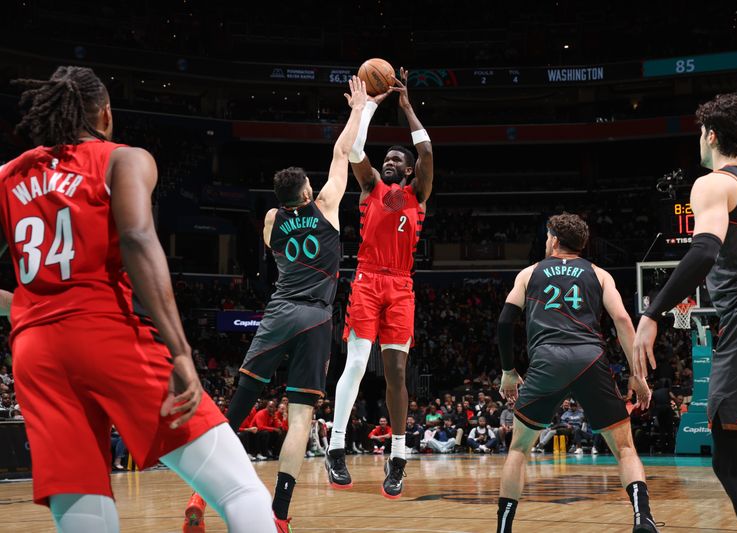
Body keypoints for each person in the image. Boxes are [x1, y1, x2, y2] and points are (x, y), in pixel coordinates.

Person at [0, 65, 277, 533]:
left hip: (34, 352)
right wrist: (182, 351)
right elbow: (136, 236)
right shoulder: (123, 159)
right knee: (239, 489)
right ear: (105, 115)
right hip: (105, 332)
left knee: (87, 510)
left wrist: (23, 306)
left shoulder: (8, 174)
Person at [181, 76, 368, 532]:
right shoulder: (325, 206)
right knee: (301, 419)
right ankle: (279, 517)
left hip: (279, 312)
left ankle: (198, 498)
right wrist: (360, 109)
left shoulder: (270, 221)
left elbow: (289, 212)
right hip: (316, 318)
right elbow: (342, 153)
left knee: (235, 412)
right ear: (306, 193)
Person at [633, 93, 737, 533]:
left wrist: (652, 312)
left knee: (732, 462)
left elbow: (704, 250)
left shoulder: (714, 183)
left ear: (710, 135)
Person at [495, 213, 657, 533]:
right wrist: (638, 375)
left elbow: (504, 322)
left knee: (519, 449)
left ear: (554, 239)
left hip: (546, 362)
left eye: (546, 236)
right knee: (625, 448)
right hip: (589, 360)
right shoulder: (599, 274)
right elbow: (623, 322)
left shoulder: (529, 273)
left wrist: (508, 371)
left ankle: (503, 529)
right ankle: (644, 519)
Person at [326, 66, 434, 499]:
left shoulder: (418, 193)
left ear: (407, 172)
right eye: (386, 159)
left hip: (401, 287)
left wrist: (407, 109)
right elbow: (353, 149)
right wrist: (367, 108)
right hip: (368, 280)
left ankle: (399, 455)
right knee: (354, 363)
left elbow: (428, 154)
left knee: (396, 372)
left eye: (397, 161)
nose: (389, 162)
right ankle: (335, 446)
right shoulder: (369, 185)